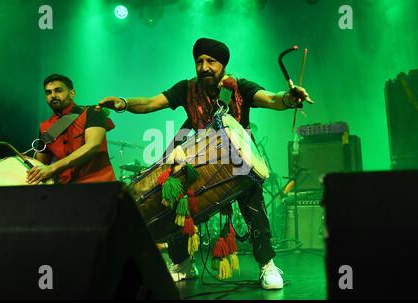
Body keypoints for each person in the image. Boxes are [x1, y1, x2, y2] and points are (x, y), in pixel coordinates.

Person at [97, 38, 313, 289]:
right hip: (200, 161)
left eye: (211, 61)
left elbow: (271, 99)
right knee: (178, 203)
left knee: (254, 211)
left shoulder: (240, 87)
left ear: (223, 65)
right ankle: (183, 263)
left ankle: (267, 265)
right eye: (199, 61)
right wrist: (123, 103)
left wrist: (288, 97)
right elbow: (150, 102)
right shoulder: (187, 89)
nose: (204, 67)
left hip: (239, 161)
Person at [27, 74, 117, 184]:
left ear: (72, 93)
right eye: (48, 92)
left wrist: (53, 168)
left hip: (99, 185)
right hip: (67, 190)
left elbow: (93, 146)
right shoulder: (45, 127)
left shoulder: (92, 112)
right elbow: (39, 164)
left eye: (58, 90)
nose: (53, 95)